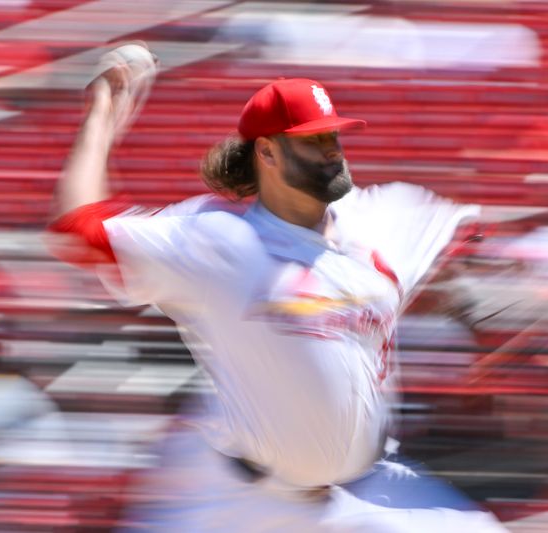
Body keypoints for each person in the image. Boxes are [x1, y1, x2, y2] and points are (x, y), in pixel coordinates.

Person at [48, 42, 509, 532]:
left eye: (333, 136)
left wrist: (492, 284)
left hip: (364, 497)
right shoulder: (219, 239)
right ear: (266, 151)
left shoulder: (381, 219)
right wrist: (101, 112)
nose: (332, 151)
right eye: (312, 141)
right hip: (237, 506)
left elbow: (472, 237)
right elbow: (77, 228)